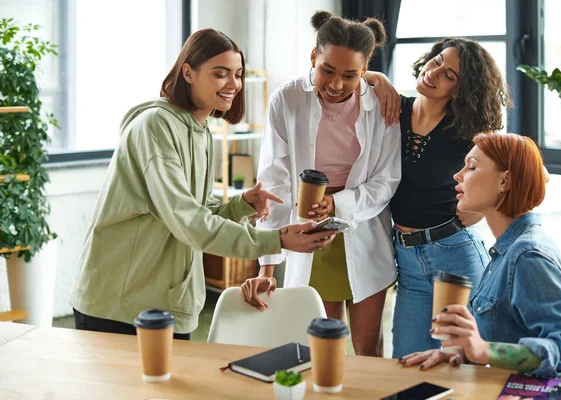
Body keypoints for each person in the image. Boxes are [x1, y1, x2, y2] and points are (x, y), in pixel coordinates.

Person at [69, 29, 336, 339]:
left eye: (237, 74)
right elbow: (188, 221)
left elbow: (200, 210)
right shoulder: (155, 126)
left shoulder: (200, 129)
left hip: (163, 301)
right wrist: (276, 240)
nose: (233, 84)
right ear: (189, 73)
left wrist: (241, 205)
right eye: (220, 74)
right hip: (118, 304)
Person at [240, 11, 402, 356]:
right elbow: (274, 182)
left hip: (364, 229)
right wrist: (268, 265)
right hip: (307, 230)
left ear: (365, 68)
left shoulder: (382, 104)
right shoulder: (287, 100)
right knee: (320, 345)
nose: (336, 84)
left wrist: (338, 204)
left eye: (350, 75)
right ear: (313, 57)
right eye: (327, 70)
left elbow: (386, 181)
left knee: (368, 345)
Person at [400, 132, 561, 376]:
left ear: (505, 182)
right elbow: (506, 332)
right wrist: (462, 351)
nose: (458, 175)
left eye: (471, 167)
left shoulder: (528, 255)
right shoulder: (505, 250)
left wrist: (484, 351)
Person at [365, 38, 511, 358]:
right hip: (406, 260)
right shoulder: (392, 108)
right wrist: (379, 78)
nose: (435, 72)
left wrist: (486, 208)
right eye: (437, 61)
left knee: (459, 367)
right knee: (407, 363)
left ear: (460, 90)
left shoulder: (466, 131)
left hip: (455, 256)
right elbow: (346, 77)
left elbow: (523, 175)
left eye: (450, 75)